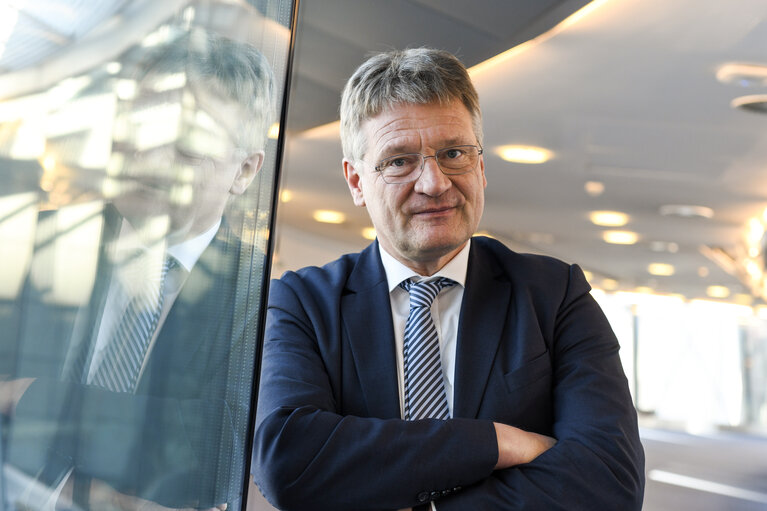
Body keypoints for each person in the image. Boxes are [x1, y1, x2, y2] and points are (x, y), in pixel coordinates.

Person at [253, 48, 644, 510]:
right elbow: (288, 463)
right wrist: (497, 444)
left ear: (480, 166)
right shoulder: (302, 302)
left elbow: (608, 483)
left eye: (454, 153)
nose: (434, 183)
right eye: (399, 161)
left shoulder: (554, 297)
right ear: (356, 181)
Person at [0, 27, 274, 510]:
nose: (151, 160)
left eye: (189, 145)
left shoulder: (259, 296)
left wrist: (30, 397)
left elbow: (216, 448)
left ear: (245, 171)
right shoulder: (33, 241)